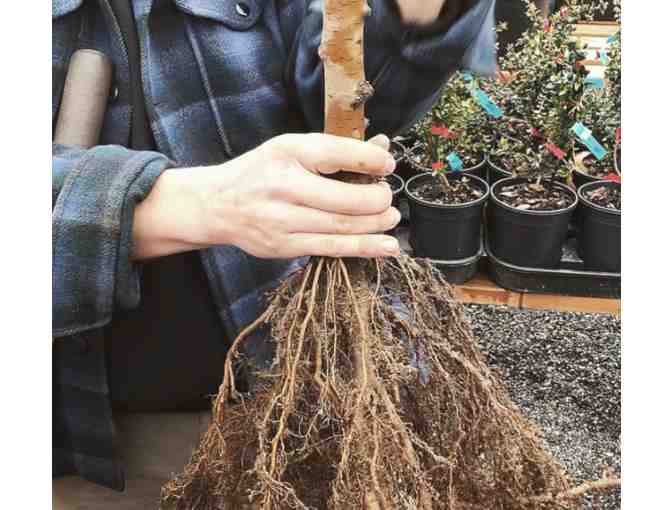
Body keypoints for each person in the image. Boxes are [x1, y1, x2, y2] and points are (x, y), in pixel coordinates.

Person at [52, 0, 496, 507]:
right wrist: (182, 206)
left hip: (286, 402)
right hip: (84, 445)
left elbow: (351, 97)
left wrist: (410, 14)